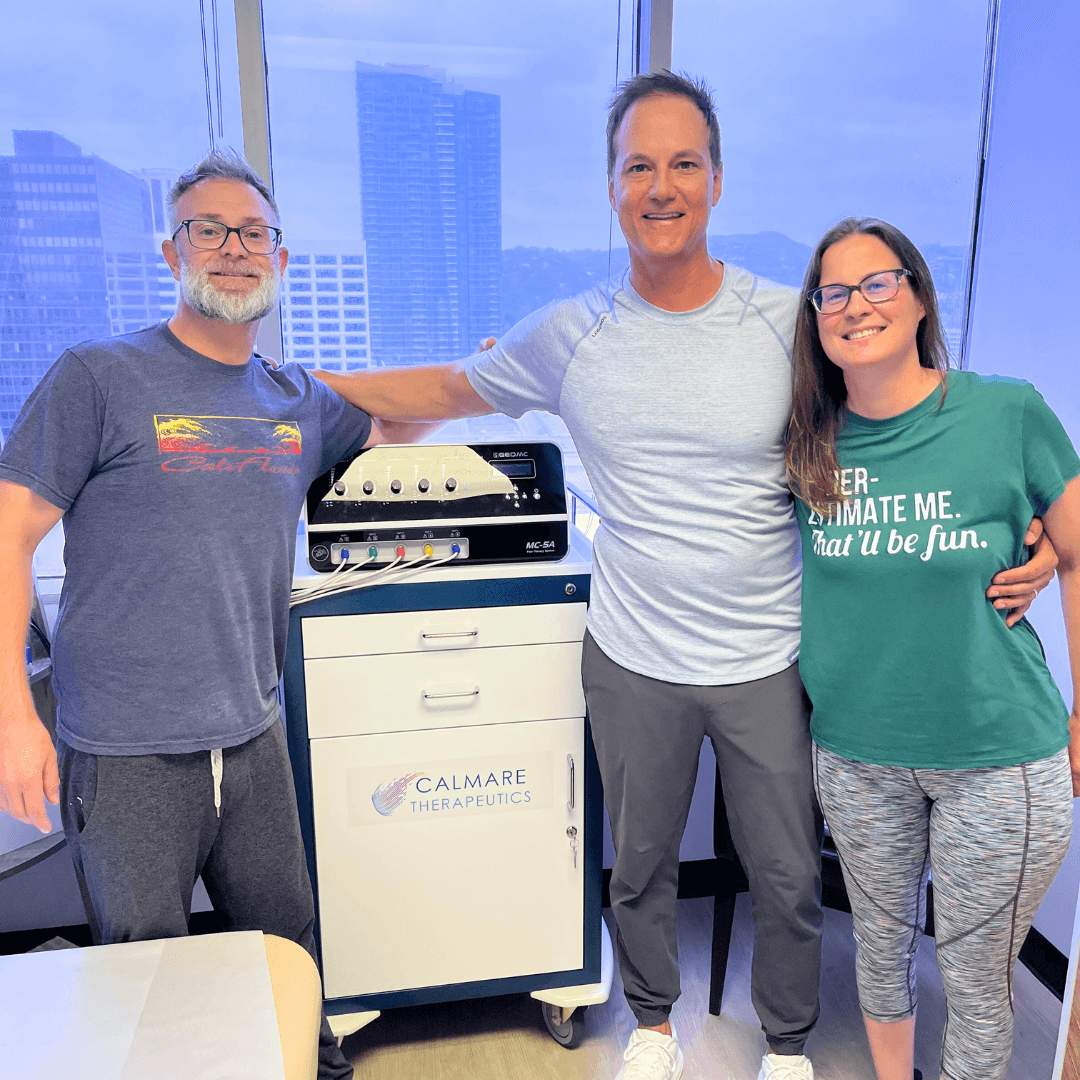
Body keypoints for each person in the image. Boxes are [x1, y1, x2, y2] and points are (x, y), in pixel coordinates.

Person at [307, 75, 1052, 1080]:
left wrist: (1042, 539)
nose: (662, 186)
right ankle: (653, 1027)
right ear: (613, 186)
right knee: (641, 864)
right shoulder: (568, 334)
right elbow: (443, 387)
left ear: (716, 181)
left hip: (769, 657)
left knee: (788, 877)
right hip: (635, 655)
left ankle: (786, 1046)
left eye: (684, 164)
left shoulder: (787, 323)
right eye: (639, 166)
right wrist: (283, 387)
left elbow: (903, 417)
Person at [0, 149, 428, 1080]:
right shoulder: (99, 377)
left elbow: (394, 421)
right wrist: (12, 717)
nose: (233, 248)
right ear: (173, 251)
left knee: (289, 952)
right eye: (209, 229)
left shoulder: (294, 400)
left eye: (253, 233)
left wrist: (497, 374)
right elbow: (8, 531)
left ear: (279, 258)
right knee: (147, 984)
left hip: (252, 732)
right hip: (126, 751)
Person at [786, 216, 1079, 1080]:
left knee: (976, 979)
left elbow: (1078, 549)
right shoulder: (806, 444)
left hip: (997, 756)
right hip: (856, 755)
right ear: (815, 319)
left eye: (878, 283)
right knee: (878, 953)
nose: (856, 305)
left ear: (918, 298)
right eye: (833, 292)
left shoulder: (1005, 412)